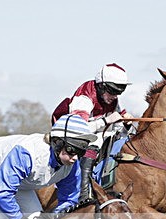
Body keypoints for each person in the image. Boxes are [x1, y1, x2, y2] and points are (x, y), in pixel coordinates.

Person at [51, 63, 134, 201]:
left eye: (118, 92)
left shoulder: (111, 99)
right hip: (68, 136)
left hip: (90, 136)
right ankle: (83, 197)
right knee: (91, 147)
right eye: (112, 91)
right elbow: (78, 130)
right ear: (101, 86)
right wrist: (106, 121)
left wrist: (126, 125)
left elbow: (118, 130)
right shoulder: (85, 97)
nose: (115, 96)